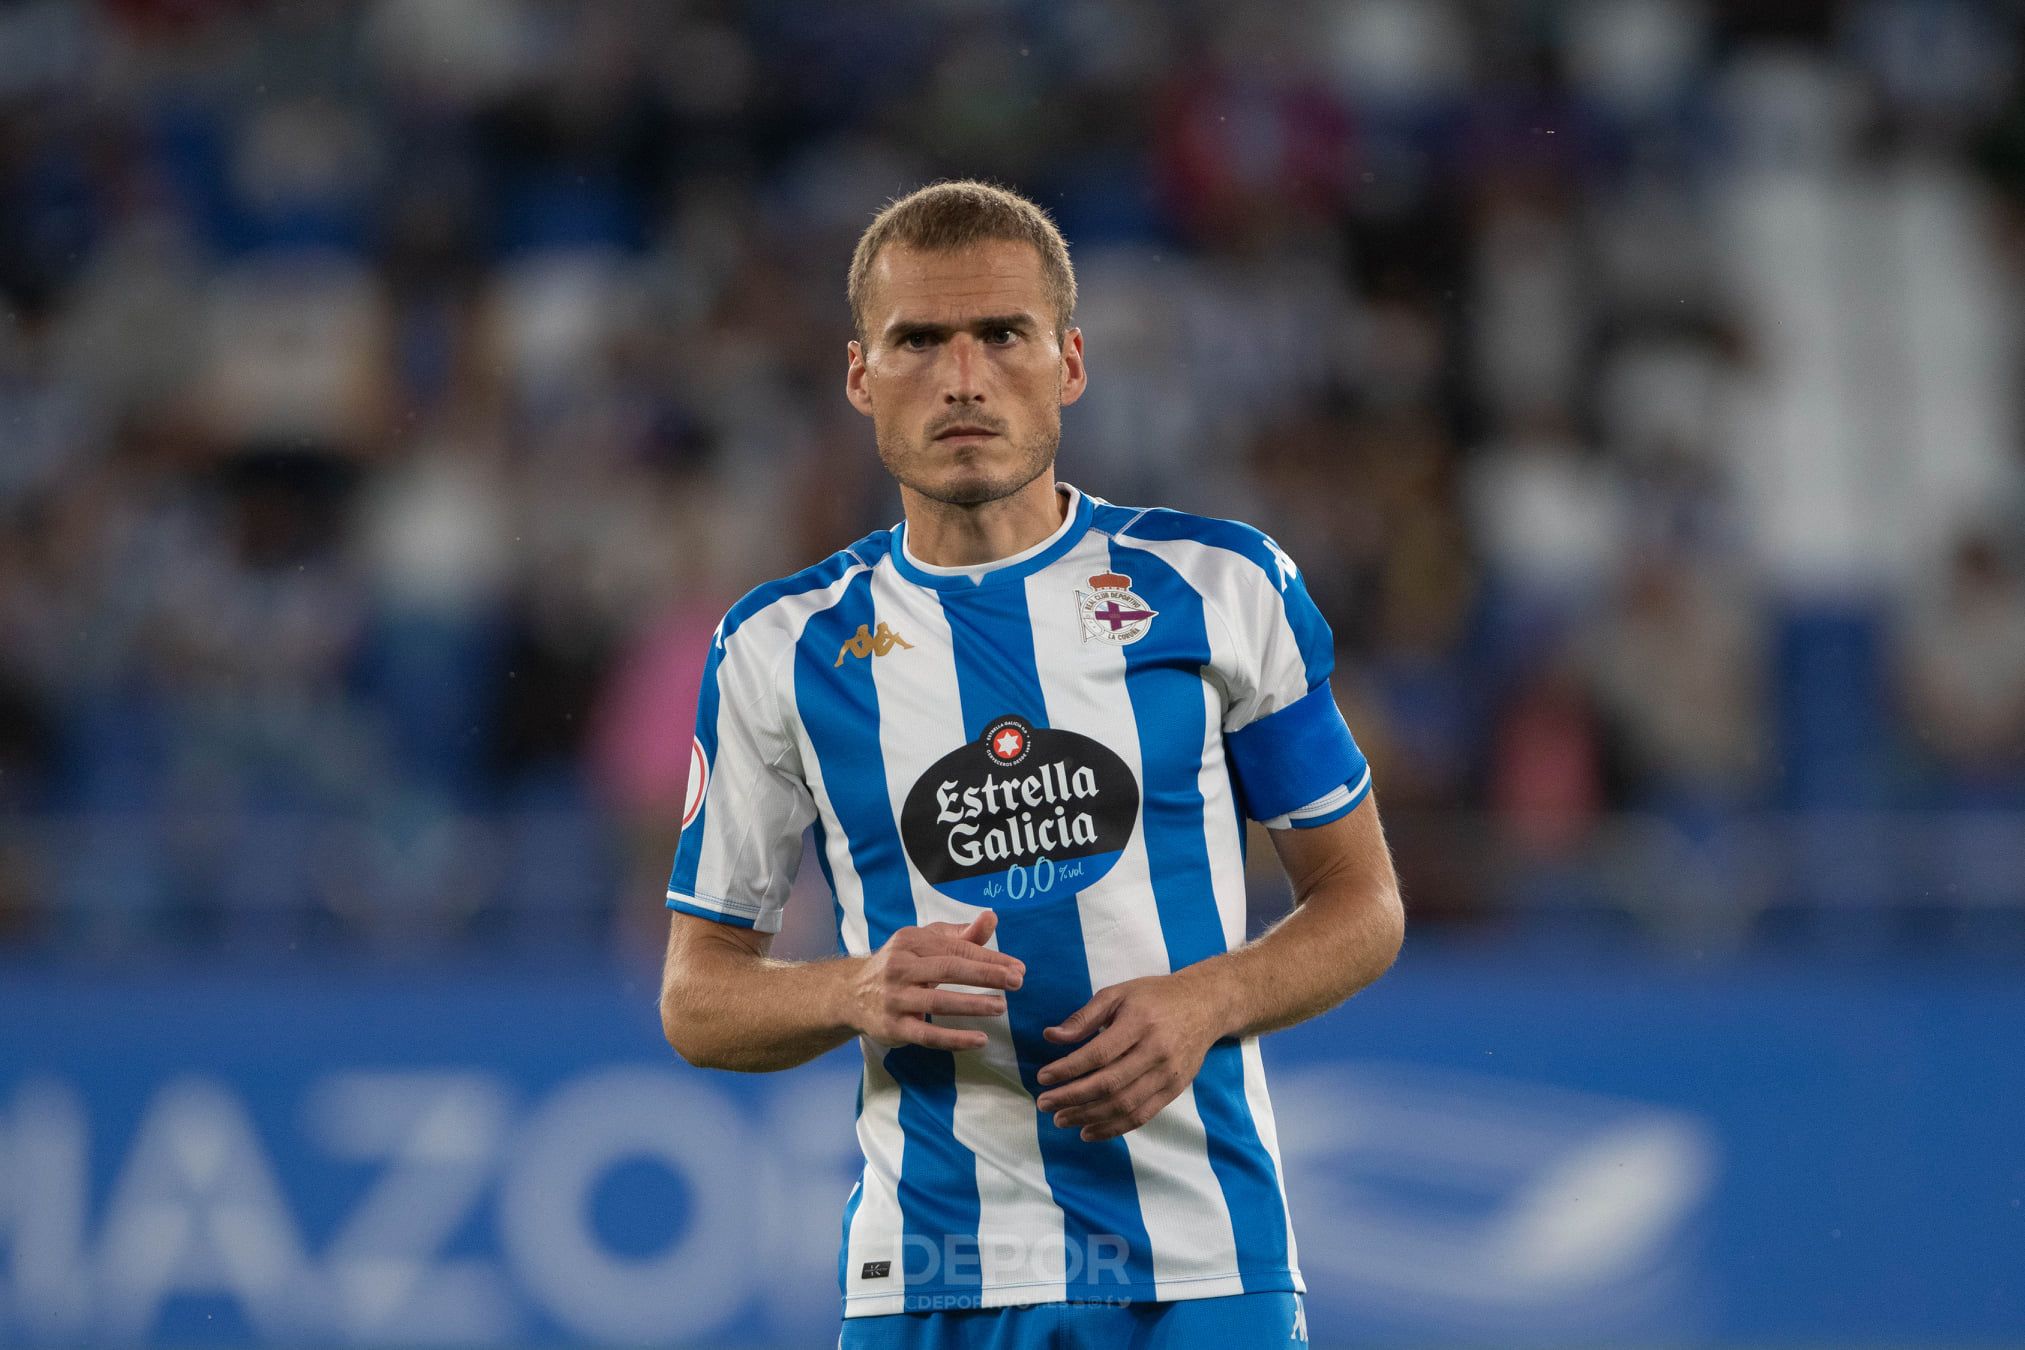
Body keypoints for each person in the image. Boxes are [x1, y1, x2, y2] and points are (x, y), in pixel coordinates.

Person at [658, 180, 1405, 1350]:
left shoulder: (1221, 587)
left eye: (1001, 335)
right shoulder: (779, 645)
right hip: (932, 1274)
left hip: (1201, 1259)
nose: (962, 379)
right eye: (918, 342)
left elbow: (1362, 901)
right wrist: (851, 989)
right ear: (859, 376)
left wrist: (1207, 1001)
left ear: (1069, 362)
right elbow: (697, 997)